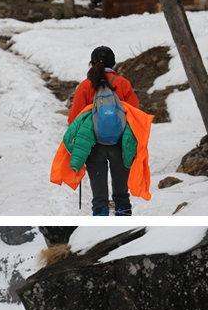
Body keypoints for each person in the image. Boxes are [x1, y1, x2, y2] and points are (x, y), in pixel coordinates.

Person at [52, 45, 154, 216]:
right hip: (120, 145)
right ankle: (122, 220)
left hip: (93, 146)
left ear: (91, 64)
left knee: (99, 199)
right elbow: (136, 112)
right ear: (113, 64)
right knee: (121, 196)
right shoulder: (123, 84)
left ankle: (101, 219)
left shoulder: (85, 86)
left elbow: (73, 119)